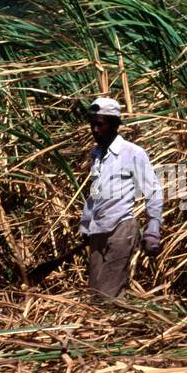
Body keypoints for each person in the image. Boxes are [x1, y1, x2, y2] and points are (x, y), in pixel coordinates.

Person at [78, 97, 162, 297]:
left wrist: (153, 228)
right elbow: (95, 191)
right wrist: (86, 223)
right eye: (92, 124)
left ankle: (119, 325)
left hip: (121, 228)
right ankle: (112, 327)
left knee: (109, 293)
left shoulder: (133, 153)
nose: (95, 130)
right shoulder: (96, 153)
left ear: (114, 125)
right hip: (98, 230)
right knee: (95, 292)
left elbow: (153, 190)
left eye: (100, 124)